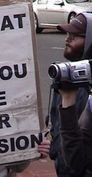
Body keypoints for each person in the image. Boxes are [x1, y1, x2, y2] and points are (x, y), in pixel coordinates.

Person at [46, 12, 92, 177]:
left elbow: (78, 158)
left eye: (75, 35)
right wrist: (52, 147)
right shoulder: (64, 78)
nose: (67, 39)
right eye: (67, 34)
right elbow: (57, 124)